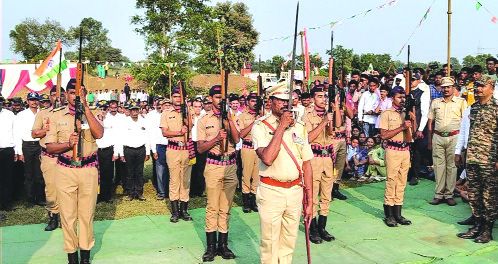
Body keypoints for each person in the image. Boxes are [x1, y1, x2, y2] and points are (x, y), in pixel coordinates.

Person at [251, 82, 313, 263]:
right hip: (272, 191)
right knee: (270, 244)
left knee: (288, 244)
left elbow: (307, 164)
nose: (286, 104)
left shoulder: (299, 127)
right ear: (271, 102)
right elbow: (267, 158)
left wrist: (310, 200)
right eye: (281, 100)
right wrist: (281, 127)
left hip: (295, 191)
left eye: (289, 100)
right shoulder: (260, 127)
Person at [45, 79, 104, 264]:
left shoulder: (91, 113)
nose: (75, 96)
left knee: (86, 215)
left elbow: (99, 133)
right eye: (72, 92)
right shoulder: (56, 116)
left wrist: (85, 107)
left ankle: (85, 257)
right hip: (65, 169)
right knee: (68, 216)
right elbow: (50, 147)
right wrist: (67, 144)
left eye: (79, 93)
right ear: (66, 94)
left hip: (88, 170)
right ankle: (72, 257)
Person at [197, 85, 240, 262]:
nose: (220, 100)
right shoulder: (203, 120)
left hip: (230, 164)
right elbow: (200, 148)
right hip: (213, 164)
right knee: (212, 207)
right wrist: (216, 138)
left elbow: (237, 140)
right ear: (211, 99)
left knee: (226, 207)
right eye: (216, 97)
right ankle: (211, 247)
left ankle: (223, 245)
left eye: (223, 97)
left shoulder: (232, 117)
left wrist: (229, 121)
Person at [457, 76, 498, 243]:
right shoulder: (473, 108)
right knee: (474, 194)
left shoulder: (496, 109)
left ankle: (487, 230)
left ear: (492, 89)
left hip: (489, 159)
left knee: (489, 196)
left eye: (482, 86)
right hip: (473, 158)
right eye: (477, 86)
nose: (478, 89)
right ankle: (477, 225)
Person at [302, 84, 341, 244]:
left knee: (327, 195)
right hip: (314, 158)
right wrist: (324, 122)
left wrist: (336, 107)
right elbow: (308, 138)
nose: (323, 99)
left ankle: (322, 228)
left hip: (328, 158)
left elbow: (338, 125)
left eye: (325, 96)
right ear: (312, 99)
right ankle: (312, 229)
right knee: (312, 195)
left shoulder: (330, 113)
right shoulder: (307, 116)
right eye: (319, 96)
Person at [427, 77, 468, 206]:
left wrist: (463, 144)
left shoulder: (461, 102)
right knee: (439, 167)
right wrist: (429, 140)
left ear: (453, 88)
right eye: (443, 87)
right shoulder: (435, 102)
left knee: (452, 167)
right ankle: (439, 194)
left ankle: (449, 195)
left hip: (454, 137)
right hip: (438, 137)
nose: (445, 89)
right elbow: (430, 122)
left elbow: (465, 123)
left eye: (448, 87)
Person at [379, 86, 413, 227]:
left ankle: (398, 213)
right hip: (393, 149)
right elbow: (384, 135)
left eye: (403, 97)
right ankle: (389, 214)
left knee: (401, 182)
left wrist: (413, 117)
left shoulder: (407, 112)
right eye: (399, 97)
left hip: (405, 150)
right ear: (392, 98)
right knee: (391, 180)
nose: (402, 99)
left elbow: (414, 132)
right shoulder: (387, 113)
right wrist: (401, 128)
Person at [31, 87, 64, 231]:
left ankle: (67, 218)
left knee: (68, 188)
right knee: (51, 188)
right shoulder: (43, 114)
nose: (57, 98)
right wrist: (49, 129)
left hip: (66, 156)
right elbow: (34, 133)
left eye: (61, 95)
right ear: (49, 97)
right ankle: (53, 217)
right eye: (53, 95)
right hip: (49, 157)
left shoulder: (70, 113)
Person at [160, 86, 194, 223]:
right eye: (175, 96)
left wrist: (186, 113)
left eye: (180, 96)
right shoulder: (166, 113)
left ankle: (184, 210)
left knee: (185, 180)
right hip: (173, 149)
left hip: (186, 149)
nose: (177, 99)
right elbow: (165, 132)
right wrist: (180, 133)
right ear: (172, 98)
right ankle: (175, 211)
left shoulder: (188, 111)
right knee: (174, 180)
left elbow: (190, 127)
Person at [16, 92, 45, 207]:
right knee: (28, 174)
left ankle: (39, 197)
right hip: (27, 145)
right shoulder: (21, 115)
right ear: (27, 101)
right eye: (31, 100)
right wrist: (19, 151)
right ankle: (30, 198)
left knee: (39, 173)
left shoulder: (42, 114)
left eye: (36, 100)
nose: (34, 102)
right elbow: (17, 134)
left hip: (39, 145)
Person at [117, 101, 150, 201]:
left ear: (139, 110)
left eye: (136, 110)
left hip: (141, 149)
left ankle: (139, 193)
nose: (135, 112)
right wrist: (121, 153)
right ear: (129, 111)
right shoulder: (124, 122)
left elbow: (147, 137)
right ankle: (130, 193)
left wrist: (147, 152)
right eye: (132, 110)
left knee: (139, 172)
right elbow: (121, 138)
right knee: (130, 172)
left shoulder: (144, 121)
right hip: (128, 149)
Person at [237, 92, 260, 213]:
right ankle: (246, 201)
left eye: (256, 101)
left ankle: (253, 200)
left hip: (259, 148)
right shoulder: (242, 116)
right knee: (246, 174)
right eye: (252, 101)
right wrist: (254, 122)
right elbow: (241, 134)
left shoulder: (262, 114)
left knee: (256, 176)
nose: (255, 103)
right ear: (247, 102)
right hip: (247, 147)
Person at [147, 98, 170, 200]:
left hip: (171, 144)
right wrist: (154, 150)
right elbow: (151, 134)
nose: (166, 107)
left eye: (168, 105)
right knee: (161, 169)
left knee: (171, 168)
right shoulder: (153, 116)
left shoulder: (173, 115)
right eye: (164, 105)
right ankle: (161, 192)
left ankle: (170, 191)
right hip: (159, 145)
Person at [0, 95, 17, 212]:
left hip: (7, 151)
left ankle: (6, 203)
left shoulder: (9, 115)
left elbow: (15, 133)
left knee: (7, 178)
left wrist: (16, 151)